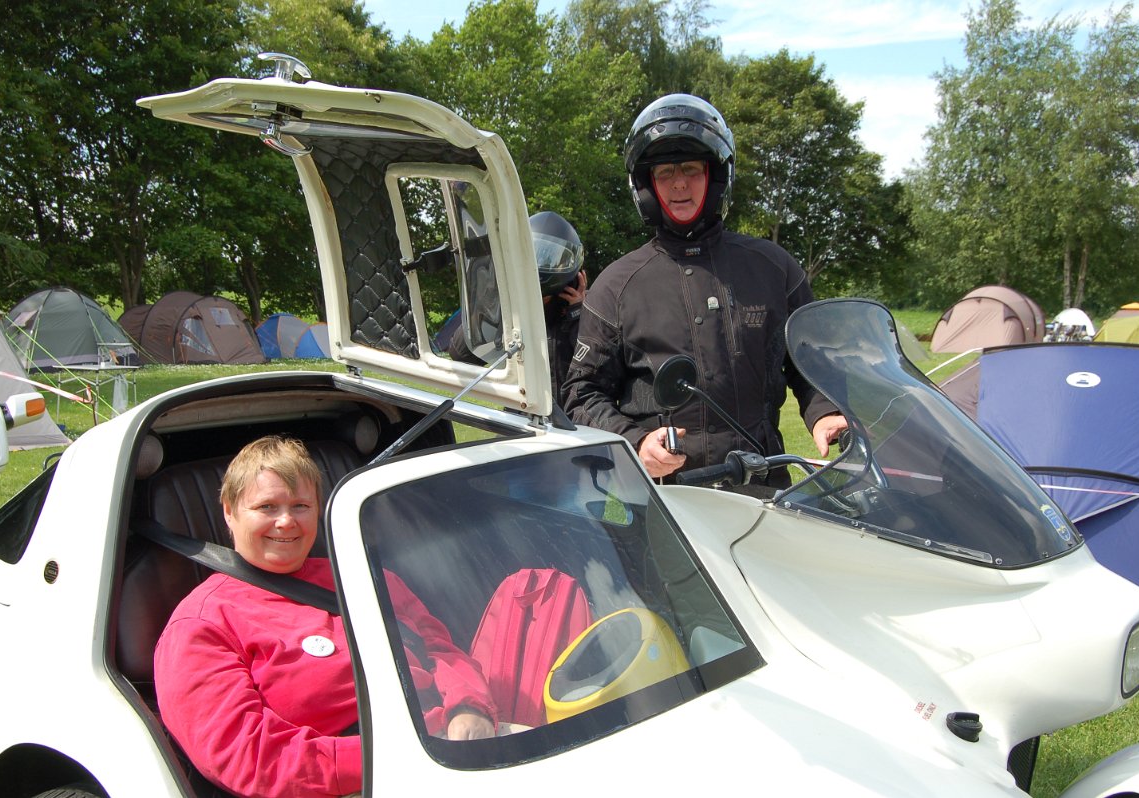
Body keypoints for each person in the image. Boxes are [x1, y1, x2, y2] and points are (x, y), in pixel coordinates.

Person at [154, 436, 496, 798]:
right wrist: (394, 756)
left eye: (300, 505)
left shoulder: (365, 576)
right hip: (363, 781)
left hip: (456, 753)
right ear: (229, 510)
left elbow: (440, 649)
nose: (286, 521)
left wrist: (470, 708)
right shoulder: (202, 623)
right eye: (267, 506)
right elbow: (248, 758)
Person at [561, 94, 847, 489]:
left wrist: (826, 410)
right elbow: (580, 393)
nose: (679, 183)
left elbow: (812, 361)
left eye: (692, 169)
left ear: (715, 177)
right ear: (647, 186)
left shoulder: (773, 268)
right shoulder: (617, 286)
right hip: (664, 498)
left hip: (763, 487)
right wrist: (636, 441)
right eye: (665, 173)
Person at [448, 210, 587, 406]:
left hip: (573, 424)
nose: (543, 263)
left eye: (553, 258)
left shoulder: (582, 314)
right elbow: (461, 355)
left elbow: (596, 366)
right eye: (535, 254)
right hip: (521, 416)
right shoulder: (512, 314)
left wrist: (578, 314)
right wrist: (493, 302)